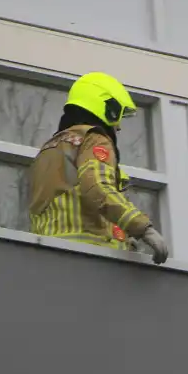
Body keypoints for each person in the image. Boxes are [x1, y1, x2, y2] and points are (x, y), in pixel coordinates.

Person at [28, 72, 170, 264]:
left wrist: (125, 242)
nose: (118, 127)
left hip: (48, 259)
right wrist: (142, 228)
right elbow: (98, 188)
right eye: (118, 115)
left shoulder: (48, 151)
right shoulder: (93, 138)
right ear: (106, 106)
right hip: (91, 261)